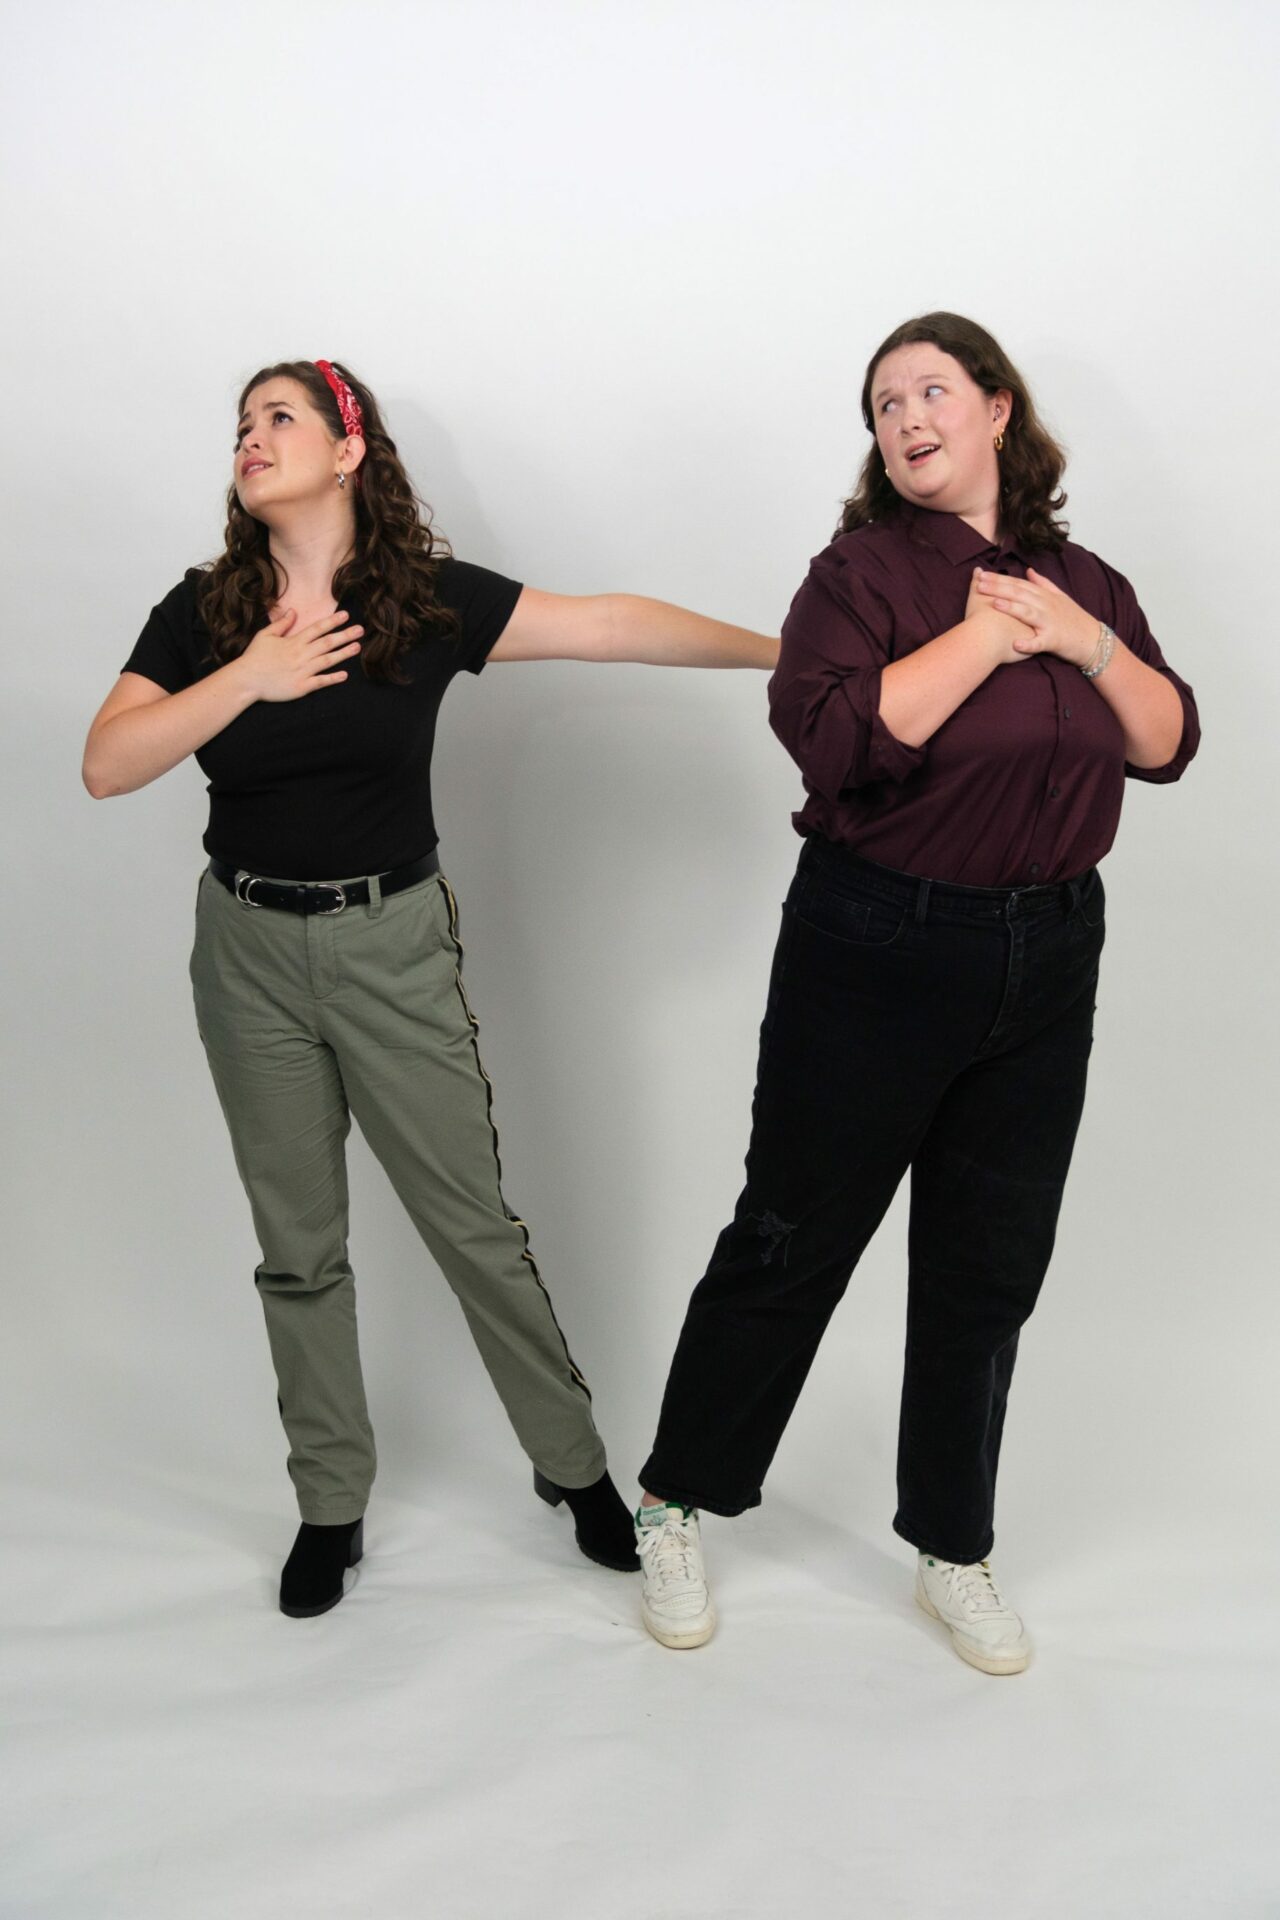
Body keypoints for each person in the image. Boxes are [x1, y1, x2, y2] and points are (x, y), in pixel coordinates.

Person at [82, 358, 776, 1618]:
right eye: (241, 424)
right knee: (299, 1252)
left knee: (474, 1231)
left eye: (279, 417)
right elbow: (107, 762)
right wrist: (248, 676)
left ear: (348, 449)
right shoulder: (204, 611)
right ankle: (328, 1504)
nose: (250, 438)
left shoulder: (423, 603)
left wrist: (789, 657)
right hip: (245, 955)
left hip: (391, 947)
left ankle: (573, 1471)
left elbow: (606, 625)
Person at [634, 312, 1198, 1672]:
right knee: (792, 1234)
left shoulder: (1086, 583)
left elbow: (1167, 739)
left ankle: (952, 1545)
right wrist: (989, 641)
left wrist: (1085, 641)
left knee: (986, 1265)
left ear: (998, 410)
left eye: (930, 391)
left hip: (1049, 950)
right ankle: (676, 1501)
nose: (905, 419)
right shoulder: (858, 575)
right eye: (884, 405)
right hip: (876, 944)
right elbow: (835, 744)